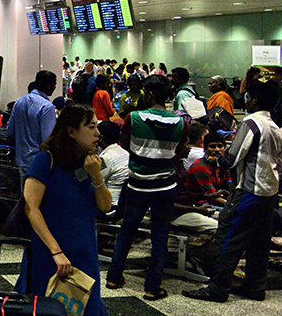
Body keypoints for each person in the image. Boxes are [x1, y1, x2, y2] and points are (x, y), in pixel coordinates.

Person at [18, 103, 116, 316]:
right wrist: (56, 250)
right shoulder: (45, 161)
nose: (98, 133)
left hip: (84, 259)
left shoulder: (89, 164)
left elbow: (105, 206)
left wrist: (96, 175)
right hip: (49, 259)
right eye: (91, 127)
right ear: (71, 131)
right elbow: (31, 208)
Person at [184, 81, 281, 303]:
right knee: (259, 240)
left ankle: (218, 287)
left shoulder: (251, 123)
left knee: (227, 235)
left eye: (247, 96)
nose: (244, 99)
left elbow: (230, 159)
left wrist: (212, 159)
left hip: (250, 190)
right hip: (269, 191)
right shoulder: (273, 125)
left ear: (255, 99)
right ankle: (255, 286)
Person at [106, 75, 187, 301]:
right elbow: (181, 150)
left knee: (127, 230)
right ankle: (152, 287)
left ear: (149, 94)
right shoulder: (180, 122)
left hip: (138, 184)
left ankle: (114, 276)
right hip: (165, 185)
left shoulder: (133, 118)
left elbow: (124, 144)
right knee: (160, 235)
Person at [7, 70, 59, 183]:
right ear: (48, 85)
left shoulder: (20, 101)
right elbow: (47, 139)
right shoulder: (47, 107)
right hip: (39, 163)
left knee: (25, 196)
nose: (55, 88)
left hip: (21, 160)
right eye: (54, 84)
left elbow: (10, 130)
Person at [97, 121, 130, 209]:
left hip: (111, 205)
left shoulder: (106, 158)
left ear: (101, 138)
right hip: (124, 203)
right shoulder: (125, 153)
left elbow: (94, 180)